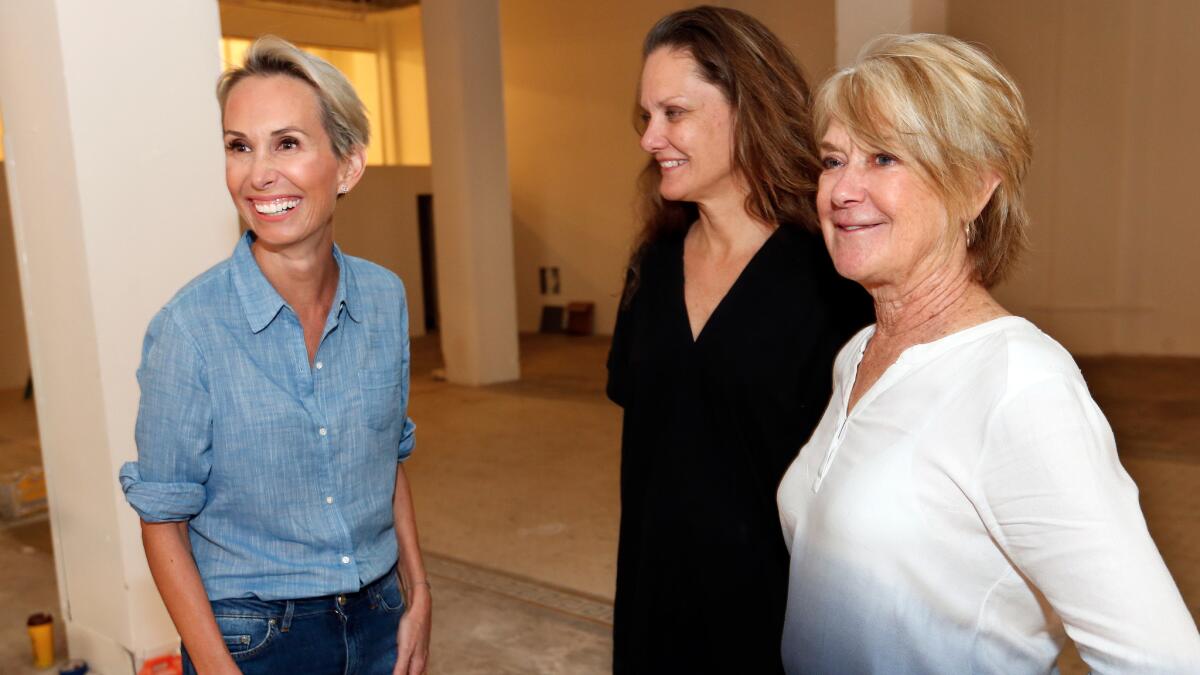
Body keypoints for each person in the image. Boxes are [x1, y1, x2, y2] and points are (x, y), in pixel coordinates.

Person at [777, 33, 1200, 673]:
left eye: (885, 158)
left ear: (976, 188)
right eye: (834, 160)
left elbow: (1161, 659)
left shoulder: (1019, 385)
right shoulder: (860, 353)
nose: (841, 190)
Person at [118, 36, 431, 675]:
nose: (258, 173)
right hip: (255, 639)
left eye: (286, 143)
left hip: (382, 614)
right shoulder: (190, 329)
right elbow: (162, 521)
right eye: (240, 146)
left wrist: (419, 592)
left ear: (347, 166)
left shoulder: (386, 298)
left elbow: (388, 460)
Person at [606, 7, 871, 672]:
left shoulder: (830, 275)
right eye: (647, 116)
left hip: (776, 625)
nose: (650, 138)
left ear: (746, 108)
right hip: (652, 615)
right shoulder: (654, 265)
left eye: (675, 112)